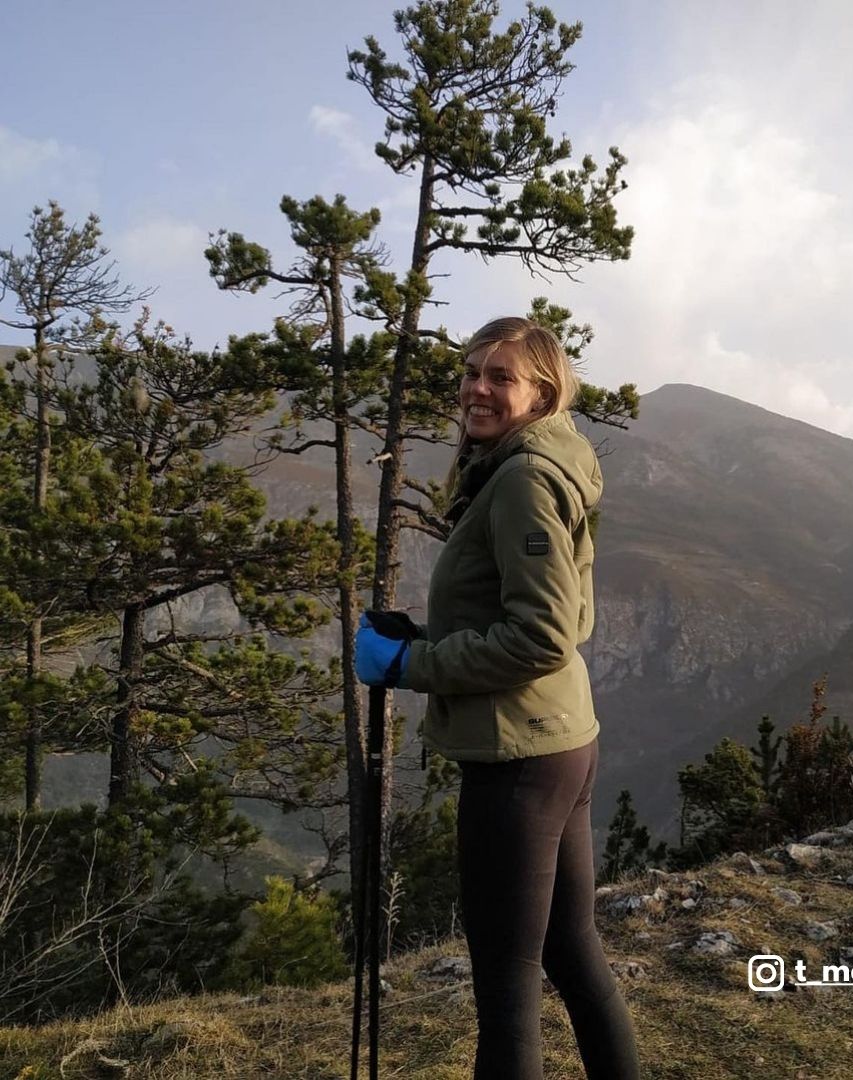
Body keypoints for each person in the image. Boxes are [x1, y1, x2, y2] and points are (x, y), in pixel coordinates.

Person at [354, 317, 641, 1080]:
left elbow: (542, 635)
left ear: (541, 390)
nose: (478, 387)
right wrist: (421, 632)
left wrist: (410, 663)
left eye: (500, 376)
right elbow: (546, 614)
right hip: (563, 740)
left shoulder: (521, 478)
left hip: (517, 756)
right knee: (573, 953)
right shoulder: (546, 458)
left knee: (508, 996)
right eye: (472, 370)